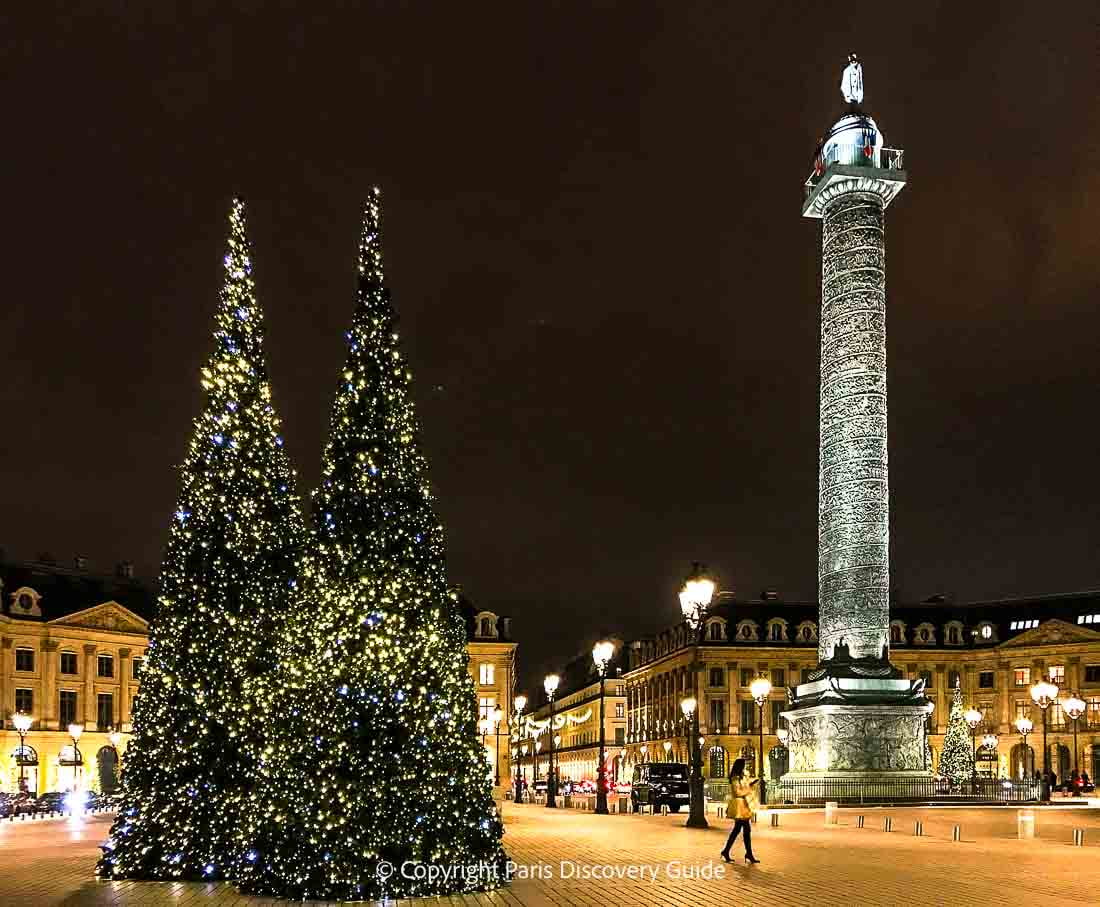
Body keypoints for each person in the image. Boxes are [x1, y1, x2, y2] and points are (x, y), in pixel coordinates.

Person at [721, 758, 760, 864]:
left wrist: (750, 784)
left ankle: (728, 851)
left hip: (743, 805)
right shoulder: (735, 778)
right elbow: (737, 792)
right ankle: (747, 854)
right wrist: (749, 789)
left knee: (740, 830)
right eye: (743, 766)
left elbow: (743, 788)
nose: (745, 768)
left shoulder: (740, 777)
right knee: (743, 830)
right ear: (740, 766)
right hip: (740, 806)